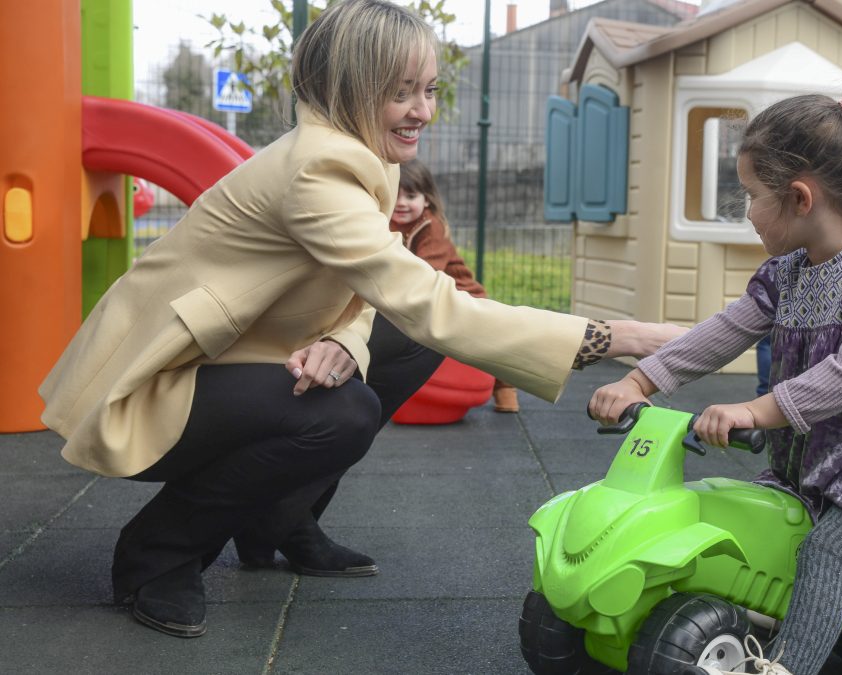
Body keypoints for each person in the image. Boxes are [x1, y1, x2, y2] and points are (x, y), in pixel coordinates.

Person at [38, 0, 684, 639]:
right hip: (160, 377)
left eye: (428, 89)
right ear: (348, 89)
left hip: (235, 356)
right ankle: (158, 553)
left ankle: (278, 521)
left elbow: (381, 281)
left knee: (401, 344)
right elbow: (423, 296)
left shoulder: (362, 152)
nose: (423, 110)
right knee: (341, 412)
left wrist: (345, 337)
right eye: (400, 92)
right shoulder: (318, 168)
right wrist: (616, 336)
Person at [590, 87, 842, 675]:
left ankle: (786, 666)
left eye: (751, 196)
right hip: (818, 459)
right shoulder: (788, 273)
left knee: (824, 551)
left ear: (799, 198)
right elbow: (723, 331)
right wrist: (641, 380)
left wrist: (755, 409)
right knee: (754, 520)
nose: (745, 210)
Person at [390, 159, 521, 412]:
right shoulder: (386, 223)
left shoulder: (431, 226)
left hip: (463, 294)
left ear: (426, 199)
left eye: (410, 195)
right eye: (395, 195)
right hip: (430, 296)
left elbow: (429, 270)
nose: (401, 203)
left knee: (489, 342)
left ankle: (505, 387)